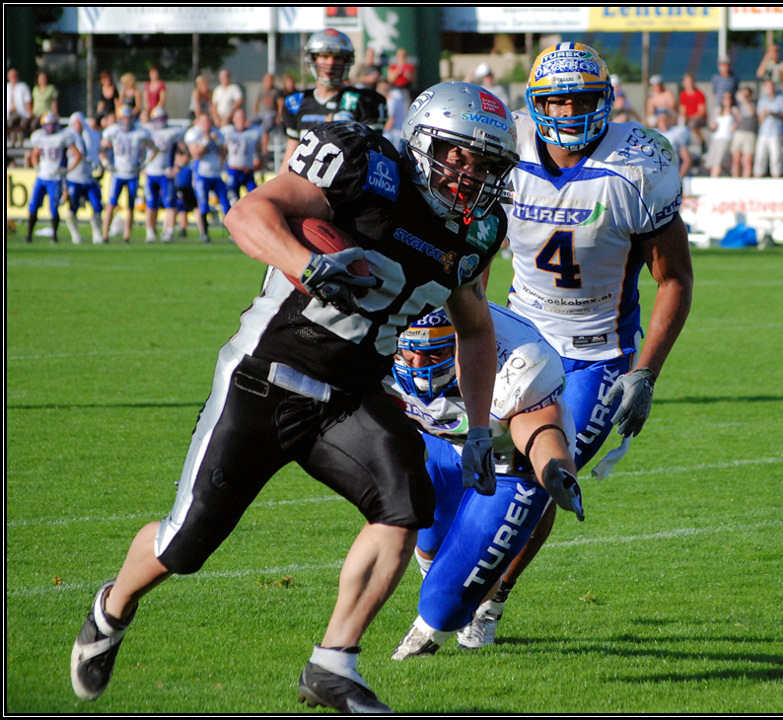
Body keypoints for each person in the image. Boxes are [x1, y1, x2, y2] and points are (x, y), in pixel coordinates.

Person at [69, 80, 519, 714]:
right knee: (185, 544)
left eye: (486, 165)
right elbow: (249, 212)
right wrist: (306, 263)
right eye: (459, 155)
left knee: (402, 508)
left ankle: (333, 665)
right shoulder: (367, 164)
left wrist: (477, 427)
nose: (470, 175)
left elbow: (473, 324)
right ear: (424, 140)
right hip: (265, 376)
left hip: (351, 395)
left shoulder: (474, 232)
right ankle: (111, 608)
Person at [487, 42, 693, 647]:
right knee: (468, 462)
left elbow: (673, 278)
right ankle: (447, 567)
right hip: (517, 331)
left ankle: (492, 600)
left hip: (597, 351)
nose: (571, 111)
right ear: (536, 105)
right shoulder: (509, 149)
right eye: (558, 100)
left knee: (538, 480)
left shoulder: (638, 164)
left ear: (606, 100)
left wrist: (646, 373)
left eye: (583, 98)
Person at [386, 303, 585, 658]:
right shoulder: (378, 334)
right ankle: (458, 585)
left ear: (461, 343)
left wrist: (553, 467)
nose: (418, 369)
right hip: (443, 441)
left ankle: (470, 613)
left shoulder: (520, 360)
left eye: (434, 356)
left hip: (509, 456)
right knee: (427, 538)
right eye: (410, 354)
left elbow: (539, 428)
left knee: (443, 604)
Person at [279, 29, 388, 172]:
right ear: (313, 59)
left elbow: (374, 158)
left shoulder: (364, 101)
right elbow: (289, 159)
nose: (330, 63)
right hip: (305, 185)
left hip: (347, 186)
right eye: (324, 56)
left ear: (347, 61)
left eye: (337, 57)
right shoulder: (297, 103)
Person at [100, 105, 156, 244]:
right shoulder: (113, 131)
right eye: (123, 118)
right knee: (111, 205)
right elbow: (101, 147)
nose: (126, 121)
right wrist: (105, 161)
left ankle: (127, 236)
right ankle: (105, 235)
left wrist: (145, 162)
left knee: (130, 207)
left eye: (128, 118)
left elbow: (153, 148)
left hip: (132, 173)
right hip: (118, 173)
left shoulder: (140, 132)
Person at [24, 112, 81, 244]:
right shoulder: (40, 137)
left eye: (52, 124)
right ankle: (29, 235)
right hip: (42, 176)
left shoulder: (63, 136)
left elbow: (77, 154)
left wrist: (67, 169)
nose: (49, 127)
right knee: (33, 206)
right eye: (47, 125)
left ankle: (54, 236)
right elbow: (35, 153)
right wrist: (36, 165)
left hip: (55, 177)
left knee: (53, 208)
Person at [184, 113, 229, 243]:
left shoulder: (216, 133)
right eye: (204, 122)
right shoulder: (194, 134)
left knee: (225, 203)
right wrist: (205, 141)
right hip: (201, 174)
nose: (207, 125)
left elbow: (224, 152)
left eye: (208, 122)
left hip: (216, 174)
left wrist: (217, 142)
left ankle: (232, 233)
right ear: (198, 122)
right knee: (203, 204)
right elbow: (196, 154)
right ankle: (204, 233)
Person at [143, 107, 186, 243]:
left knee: (170, 203)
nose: (159, 122)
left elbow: (184, 151)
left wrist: (177, 167)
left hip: (165, 172)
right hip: (150, 172)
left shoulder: (173, 132)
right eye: (157, 118)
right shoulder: (146, 131)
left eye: (162, 118)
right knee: (150, 204)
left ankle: (169, 232)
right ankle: (150, 231)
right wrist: (141, 166)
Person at [65, 112, 105, 244]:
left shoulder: (92, 135)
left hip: (88, 177)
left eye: (80, 122)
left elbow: (97, 152)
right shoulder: (68, 137)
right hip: (73, 177)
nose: (78, 125)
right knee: (72, 208)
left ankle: (97, 233)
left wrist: (101, 165)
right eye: (75, 122)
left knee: (97, 206)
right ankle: (75, 234)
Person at [221, 107, 264, 202]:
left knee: (255, 198)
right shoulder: (228, 132)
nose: (241, 120)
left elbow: (259, 149)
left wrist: (260, 161)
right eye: (238, 118)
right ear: (234, 120)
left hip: (248, 171)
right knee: (233, 199)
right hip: (234, 170)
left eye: (243, 117)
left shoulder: (253, 131)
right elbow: (222, 149)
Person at [753, 79, 783, 178]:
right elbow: (760, 118)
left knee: (776, 157)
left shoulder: (781, 98)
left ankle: (776, 177)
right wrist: (764, 114)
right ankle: (758, 177)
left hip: (776, 132)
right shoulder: (763, 100)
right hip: (764, 132)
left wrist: (772, 113)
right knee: (760, 157)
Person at [705, 90, 737, 177]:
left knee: (718, 161)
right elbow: (712, 124)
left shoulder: (734, 111)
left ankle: (714, 179)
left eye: (728, 98)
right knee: (711, 162)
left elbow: (739, 122)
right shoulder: (718, 111)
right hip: (716, 138)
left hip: (726, 138)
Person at [730, 86, 757, 178]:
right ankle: (735, 179)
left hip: (749, 133)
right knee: (736, 159)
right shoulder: (738, 106)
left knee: (747, 160)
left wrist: (743, 100)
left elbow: (751, 112)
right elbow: (739, 119)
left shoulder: (753, 104)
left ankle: (746, 180)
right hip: (739, 133)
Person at [6, 67, 34, 146]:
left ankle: (15, 137)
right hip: (9, 113)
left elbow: (27, 101)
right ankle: (16, 137)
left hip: (20, 112)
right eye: (11, 76)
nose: (13, 78)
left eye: (14, 76)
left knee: (12, 121)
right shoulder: (7, 87)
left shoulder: (23, 87)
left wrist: (29, 113)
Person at [679, 72, 708, 146]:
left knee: (692, 124)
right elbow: (682, 109)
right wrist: (684, 117)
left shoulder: (699, 94)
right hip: (688, 118)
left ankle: (701, 141)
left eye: (690, 82)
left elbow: (702, 111)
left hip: (698, 118)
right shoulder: (683, 95)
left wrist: (690, 117)